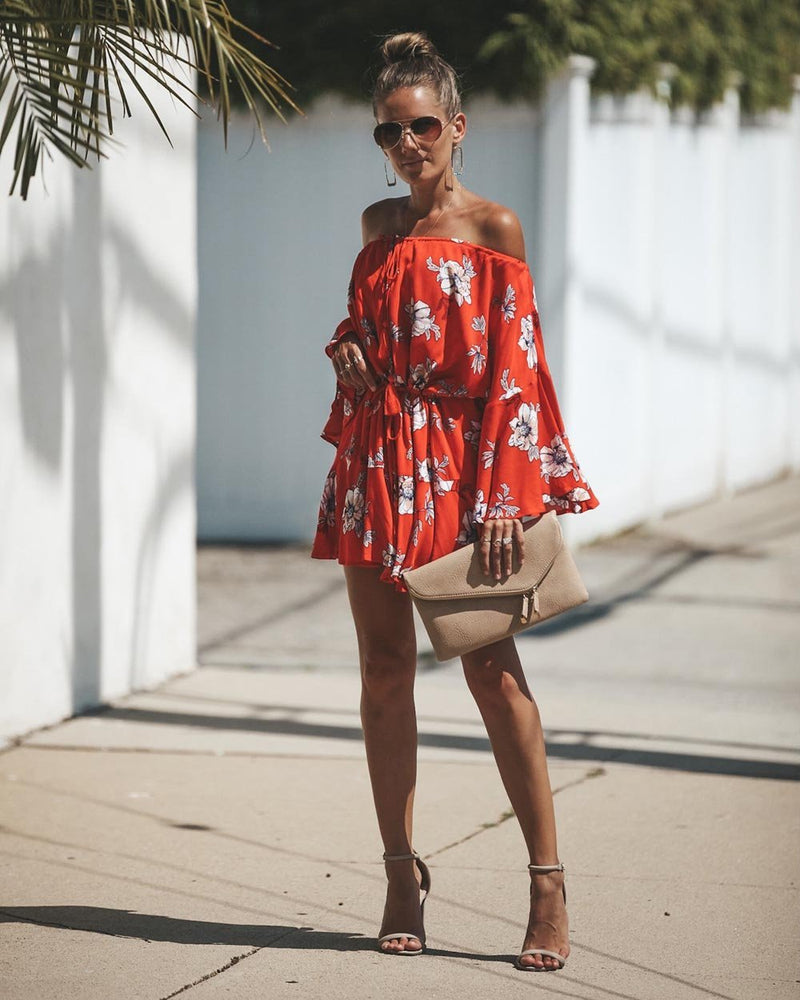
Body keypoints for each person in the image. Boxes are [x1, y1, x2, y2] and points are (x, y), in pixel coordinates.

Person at [311, 31, 599, 971]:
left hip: (465, 473)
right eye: (390, 133)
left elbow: (519, 375)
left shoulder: (494, 230)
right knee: (383, 675)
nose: (407, 145)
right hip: (375, 465)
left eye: (423, 126)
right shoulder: (376, 227)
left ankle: (546, 880)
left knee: (493, 673)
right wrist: (349, 347)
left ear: (458, 127)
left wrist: (506, 496)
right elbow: (372, 322)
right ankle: (401, 871)